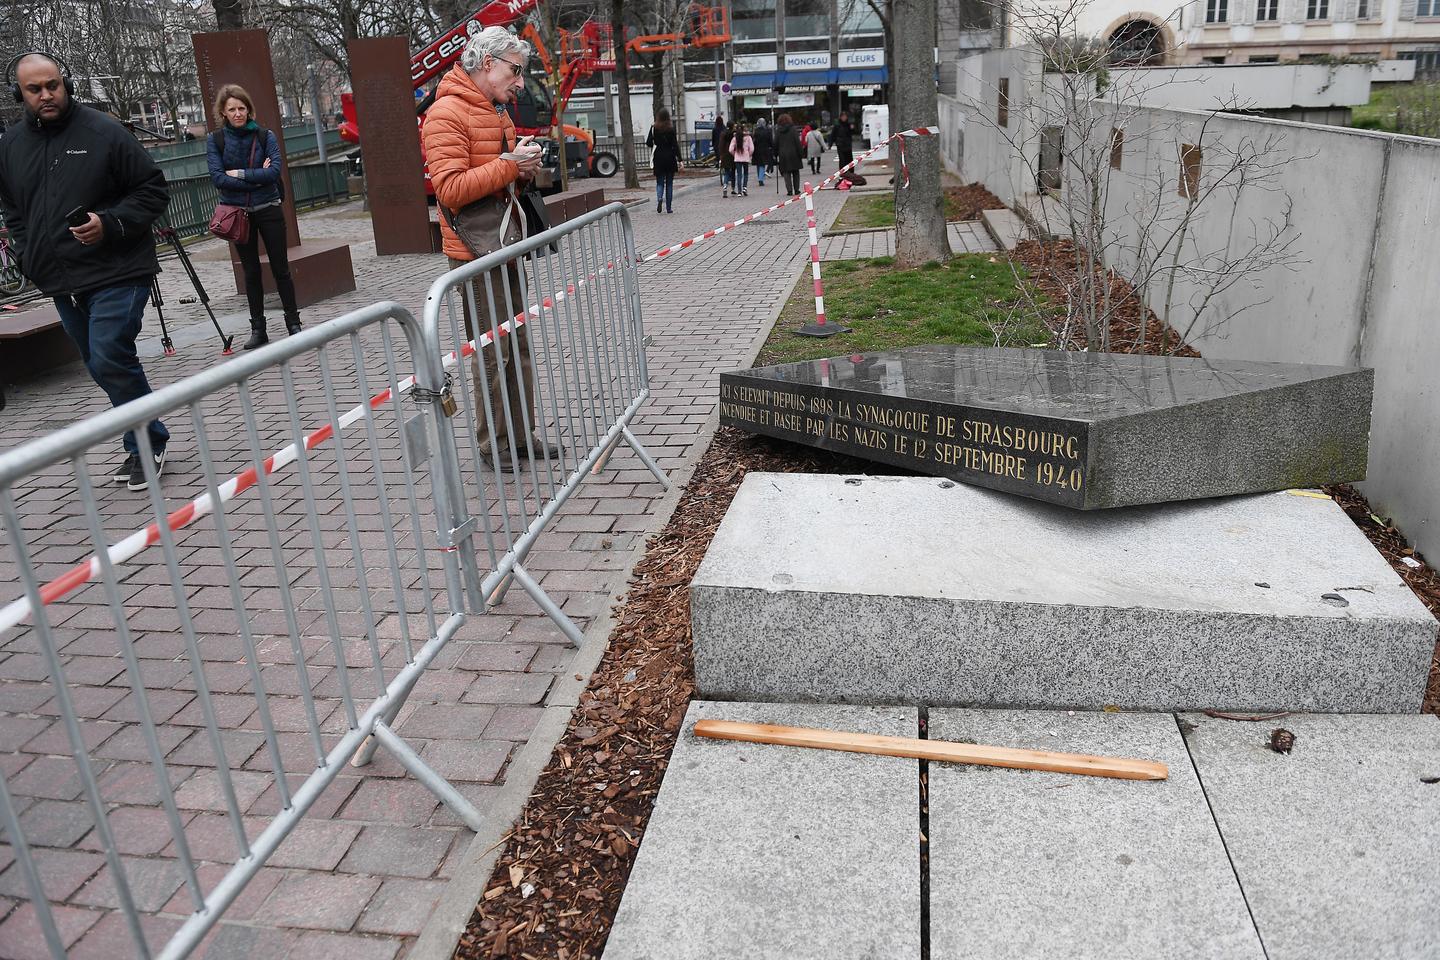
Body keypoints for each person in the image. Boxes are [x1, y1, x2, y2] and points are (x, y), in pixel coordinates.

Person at [0, 52, 170, 491]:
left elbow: (152, 189)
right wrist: (26, 253)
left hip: (119, 266)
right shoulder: (11, 145)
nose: (46, 95)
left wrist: (109, 223)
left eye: (52, 84)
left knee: (110, 351)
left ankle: (147, 444)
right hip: (60, 277)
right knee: (99, 362)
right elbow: (14, 209)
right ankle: (144, 436)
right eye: (34, 89)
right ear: (19, 93)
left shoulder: (104, 131)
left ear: (66, 83)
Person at [423, 27, 557, 471]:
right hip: (474, 253)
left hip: (501, 242)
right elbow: (450, 189)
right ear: (487, 63)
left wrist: (521, 169)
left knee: (516, 344)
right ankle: (492, 443)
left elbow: (499, 180)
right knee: (492, 351)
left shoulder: (495, 112)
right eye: (515, 71)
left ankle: (520, 436)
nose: (520, 82)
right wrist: (508, 165)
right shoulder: (445, 114)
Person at [206, 84, 301, 350]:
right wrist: (256, 176)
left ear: (249, 109)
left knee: (281, 268)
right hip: (238, 215)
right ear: (223, 113)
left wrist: (239, 174)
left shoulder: (264, 135)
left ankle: (294, 323)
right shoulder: (216, 141)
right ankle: (258, 329)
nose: (238, 113)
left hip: (268, 208)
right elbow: (218, 179)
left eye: (242, 108)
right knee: (251, 272)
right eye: (232, 109)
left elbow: (274, 173)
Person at [646, 108, 681, 213]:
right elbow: (675, 145)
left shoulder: (654, 128)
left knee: (660, 182)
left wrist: (655, 143)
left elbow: (648, 142)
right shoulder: (671, 129)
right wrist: (680, 159)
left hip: (658, 157)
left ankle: (659, 198)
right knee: (669, 184)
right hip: (670, 157)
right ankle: (669, 208)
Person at [774, 113, 803, 197]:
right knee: (796, 172)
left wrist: (775, 154)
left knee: (786, 173)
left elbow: (775, 143)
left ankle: (789, 190)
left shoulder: (778, 131)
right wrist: (801, 153)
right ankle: (796, 189)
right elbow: (797, 142)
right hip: (794, 154)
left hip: (783, 155)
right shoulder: (793, 130)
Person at [728, 122, 753, 197]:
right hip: (745, 158)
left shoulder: (734, 138)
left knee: (739, 174)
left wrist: (734, 154)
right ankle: (744, 188)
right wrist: (749, 154)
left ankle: (739, 191)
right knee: (745, 173)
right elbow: (751, 148)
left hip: (737, 158)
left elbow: (730, 149)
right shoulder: (748, 137)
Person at [751, 117, 773, 187]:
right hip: (764, 149)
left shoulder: (755, 131)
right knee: (762, 164)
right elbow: (770, 141)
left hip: (756, 150)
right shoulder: (767, 131)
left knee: (758, 164)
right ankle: (761, 179)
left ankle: (759, 177)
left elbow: (753, 141)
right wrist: (771, 147)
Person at [718, 120, 735, 197]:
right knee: (733, 171)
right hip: (733, 154)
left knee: (726, 171)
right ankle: (733, 188)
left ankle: (725, 186)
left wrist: (721, 154)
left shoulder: (723, 133)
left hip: (725, 154)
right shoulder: (733, 134)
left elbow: (721, 145)